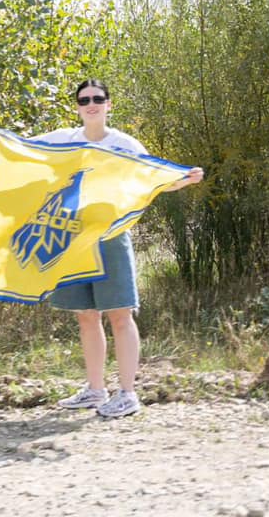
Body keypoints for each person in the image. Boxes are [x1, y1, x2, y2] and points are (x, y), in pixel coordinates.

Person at [33, 79, 204, 418]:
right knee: (85, 315)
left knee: (120, 314)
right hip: (74, 238)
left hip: (111, 235)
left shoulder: (124, 144)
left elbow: (151, 178)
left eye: (98, 98)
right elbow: (16, 147)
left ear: (109, 104)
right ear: (78, 106)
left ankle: (127, 394)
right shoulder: (63, 140)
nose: (91, 104)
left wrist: (184, 179)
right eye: (85, 100)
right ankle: (96, 390)